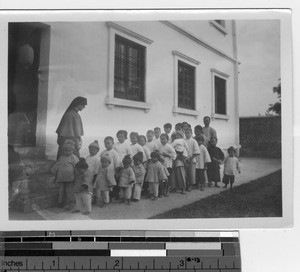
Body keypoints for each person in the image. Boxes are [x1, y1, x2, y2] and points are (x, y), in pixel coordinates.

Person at [50, 142, 79, 209]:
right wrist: (53, 171)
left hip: (70, 178)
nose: (68, 152)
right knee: (61, 190)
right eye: (66, 150)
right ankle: (61, 202)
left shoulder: (74, 158)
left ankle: (70, 202)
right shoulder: (61, 158)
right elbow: (57, 165)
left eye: (70, 150)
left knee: (70, 191)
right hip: (61, 178)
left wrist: (77, 176)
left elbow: (77, 168)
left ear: (72, 151)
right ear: (63, 151)